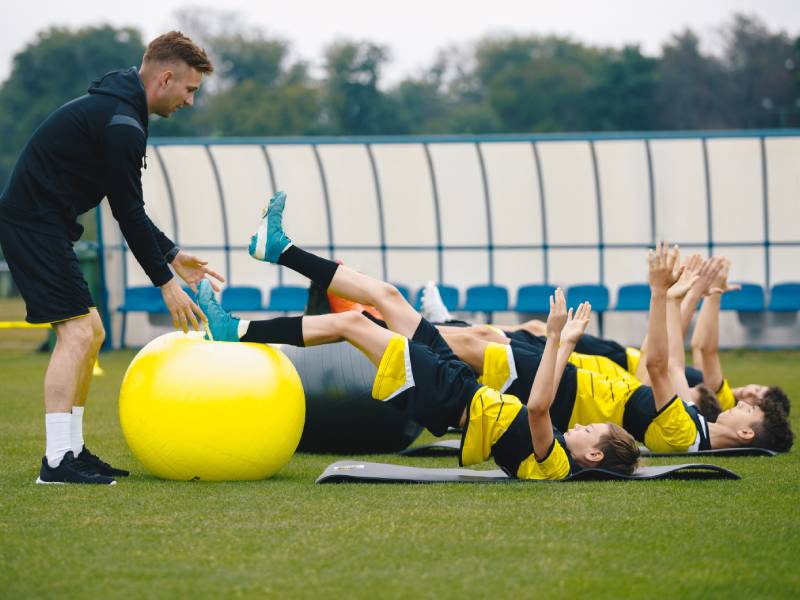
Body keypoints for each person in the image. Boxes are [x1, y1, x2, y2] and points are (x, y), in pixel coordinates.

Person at [197, 192, 641, 479]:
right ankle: (280, 249)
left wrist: (561, 341)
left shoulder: (557, 464)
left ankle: (235, 331)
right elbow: (540, 402)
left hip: (450, 398)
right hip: (461, 386)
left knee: (355, 324)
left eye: (591, 430)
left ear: (595, 456)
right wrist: (560, 344)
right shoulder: (561, 452)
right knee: (386, 296)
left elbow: (541, 405)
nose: (580, 424)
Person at [0, 31, 224, 485]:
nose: (190, 101)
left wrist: (174, 255)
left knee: (92, 332)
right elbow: (127, 211)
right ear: (165, 78)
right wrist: (165, 280)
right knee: (79, 334)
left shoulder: (121, 111)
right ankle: (58, 462)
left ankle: (74, 452)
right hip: (32, 224)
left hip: (47, 225)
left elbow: (127, 206)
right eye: (189, 90)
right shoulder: (122, 122)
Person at [435, 244, 794, 454]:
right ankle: (408, 329)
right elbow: (671, 366)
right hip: (578, 385)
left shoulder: (684, 435)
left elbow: (656, 367)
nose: (745, 401)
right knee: (477, 346)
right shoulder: (695, 426)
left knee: (472, 348)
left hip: (569, 395)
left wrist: (658, 293)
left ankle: (395, 327)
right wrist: (675, 298)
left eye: (751, 410)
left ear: (746, 434)